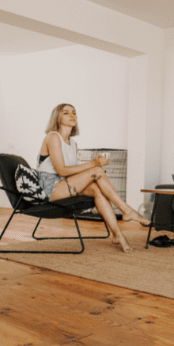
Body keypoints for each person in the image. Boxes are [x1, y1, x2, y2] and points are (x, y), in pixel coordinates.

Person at [37, 103, 150, 253]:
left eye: (74, 112)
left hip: (64, 184)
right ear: (57, 117)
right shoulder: (52, 137)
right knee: (96, 170)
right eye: (66, 113)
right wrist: (93, 165)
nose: (72, 115)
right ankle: (126, 210)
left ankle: (118, 235)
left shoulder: (73, 143)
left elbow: (70, 173)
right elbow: (62, 171)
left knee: (97, 189)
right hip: (50, 188)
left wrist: (94, 165)